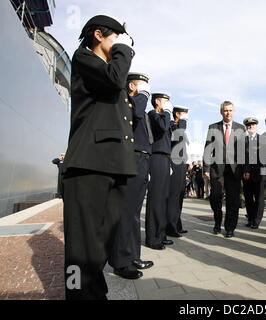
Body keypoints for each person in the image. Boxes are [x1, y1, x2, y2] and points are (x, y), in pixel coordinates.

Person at [61, 15, 136, 300]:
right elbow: (115, 79)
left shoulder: (107, 70)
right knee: (80, 248)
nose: (119, 45)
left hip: (113, 165)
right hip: (87, 164)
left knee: (103, 240)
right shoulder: (84, 58)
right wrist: (125, 50)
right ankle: (76, 294)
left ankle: (95, 292)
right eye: (115, 38)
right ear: (97, 35)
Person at [108, 72, 154, 280]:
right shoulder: (129, 101)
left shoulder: (138, 105)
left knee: (134, 213)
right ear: (133, 87)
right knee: (125, 212)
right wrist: (142, 95)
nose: (147, 92)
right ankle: (120, 261)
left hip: (143, 160)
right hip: (131, 159)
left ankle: (133, 255)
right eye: (143, 87)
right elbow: (135, 114)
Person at [203, 101, 246, 238]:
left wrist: (246, 169)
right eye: (225, 110)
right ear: (221, 112)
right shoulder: (213, 127)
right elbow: (208, 148)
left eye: (230, 110)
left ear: (234, 112)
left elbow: (244, 151)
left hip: (234, 170)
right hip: (217, 170)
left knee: (233, 200)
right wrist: (206, 168)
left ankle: (230, 228)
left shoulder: (241, 128)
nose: (228, 113)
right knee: (215, 197)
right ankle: (217, 222)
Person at [145, 93, 174, 250]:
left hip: (165, 158)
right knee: (156, 199)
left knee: (163, 199)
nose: (168, 104)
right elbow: (162, 129)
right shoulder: (153, 114)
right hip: (156, 157)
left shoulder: (163, 117)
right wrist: (168, 113)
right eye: (165, 101)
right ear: (157, 101)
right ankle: (152, 237)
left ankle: (161, 234)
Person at [166, 105, 190, 237]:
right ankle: (170, 226)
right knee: (173, 197)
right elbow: (177, 134)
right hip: (173, 163)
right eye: (183, 113)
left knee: (180, 195)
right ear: (176, 114)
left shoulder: (180, 126)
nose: (186, 116)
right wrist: (183, 121)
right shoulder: (171, 125)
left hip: (181, 163)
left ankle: (177, 224)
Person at [242, 117, 266, 229]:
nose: (250, 127)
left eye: (252, 125)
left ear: (256, 126)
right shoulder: (243, 140)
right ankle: (250, 219)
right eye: (248, 125)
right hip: (247, 175)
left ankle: (256, 220)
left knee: (259, 198)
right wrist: (245, 170)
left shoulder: (263, 139)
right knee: (248, 198)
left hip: (260, 174)